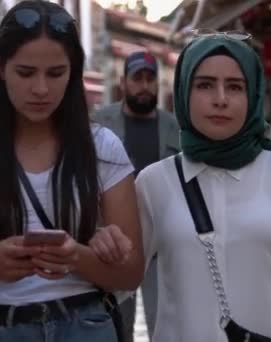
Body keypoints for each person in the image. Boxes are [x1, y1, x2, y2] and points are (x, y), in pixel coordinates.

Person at [90, 35, 271, 341]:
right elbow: (121, 282)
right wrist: (99, 248)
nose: (220, 98)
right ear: (183, 93)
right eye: (205, 85)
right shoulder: (155, 182)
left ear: (252, 95)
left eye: (235, 86)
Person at [0, 1, 143, 341]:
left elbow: (131, 273)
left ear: (74, 72)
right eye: (25, 73)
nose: (41, 89)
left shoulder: (103, 147)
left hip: (85, 324)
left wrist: (77, 256)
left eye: (56, 73)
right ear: (0, 67)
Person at [95, 51, 179, 341]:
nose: (144, 86)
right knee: (117, 324)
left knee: (163, 321)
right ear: (123, 82)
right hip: (115, 239)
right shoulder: (100, 124)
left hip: (163, 238)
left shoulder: (176, 127)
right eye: (137, 78)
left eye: (150, 79)